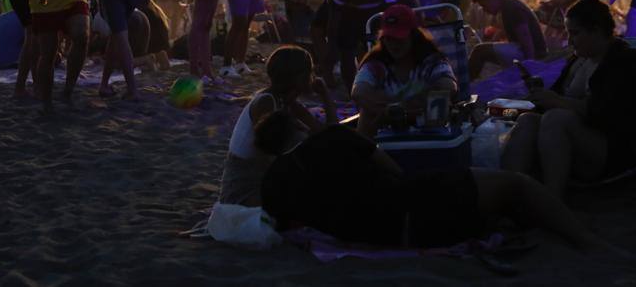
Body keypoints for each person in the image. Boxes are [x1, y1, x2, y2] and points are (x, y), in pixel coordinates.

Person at [256, 111, 608, 252]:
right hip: (413, 209)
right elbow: (392, 168)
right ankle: (586, 238)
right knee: (514, 183)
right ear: (298, 128)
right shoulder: (332, 137)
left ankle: (513, 221)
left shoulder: (271, 187)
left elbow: (291, 226)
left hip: (380, 236)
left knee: (497, 199)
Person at [500, 0, 636, 197]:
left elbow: (609, 115)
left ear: (597, 31)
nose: (570, 40)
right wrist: (542, 96)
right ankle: (510, 192)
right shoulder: (580, 59)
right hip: (573, 144)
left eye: (575, 33)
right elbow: (557, 97)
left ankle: (552, 200)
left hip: (612, 150)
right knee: (528, 120)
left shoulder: (626, 61)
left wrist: (557, 101)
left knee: (556, 119)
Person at [220, 46, 336, 207]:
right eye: (310, 73)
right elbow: (270, 154)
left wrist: (325, 96)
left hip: (264, 179)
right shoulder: (266, 102)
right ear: (299, 77)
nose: (313, 77)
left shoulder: (286, 102)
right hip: (244, 189)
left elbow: (329, 133)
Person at [352, 4, 458, 138]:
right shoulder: (376, 64)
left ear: (413, 36)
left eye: (399, 38)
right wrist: (390, 111)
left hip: (427, 127)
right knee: (367, 112)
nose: (394, 44)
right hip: (385, 125)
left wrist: (404, 107)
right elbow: (358, 92)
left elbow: (448, 86)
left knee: (439, 103)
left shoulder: (431, 62)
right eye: (389, 38)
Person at [468, 0, 548, 80]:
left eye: (484, 5)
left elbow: (526, 38)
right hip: (526, 51)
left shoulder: (510, 7)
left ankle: (464, 86)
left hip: (534, 54)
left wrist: (530, 67)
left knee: (479, 51)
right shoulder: (507, 6)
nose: (484, 10)